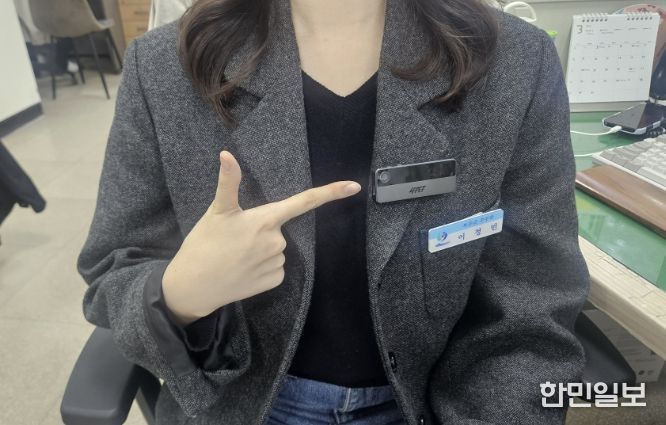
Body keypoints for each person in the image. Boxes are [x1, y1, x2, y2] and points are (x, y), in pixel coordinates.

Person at [77, 0, 591, 424]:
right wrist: (180, 295)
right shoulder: (164, 68)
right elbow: (114, 272)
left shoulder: (515, 63)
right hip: (238, 403)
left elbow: (532, 300)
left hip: (438, 400)